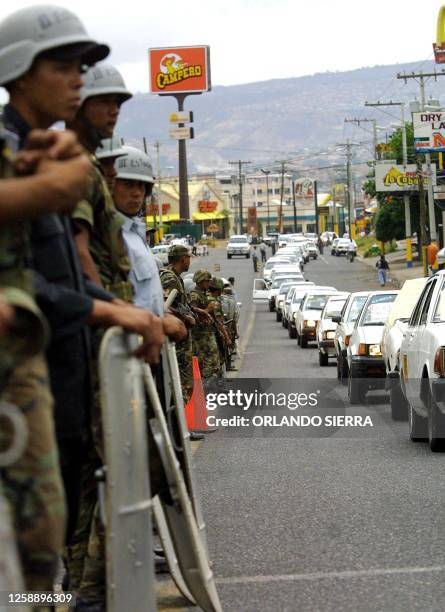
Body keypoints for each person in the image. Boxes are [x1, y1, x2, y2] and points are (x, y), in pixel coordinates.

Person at [189, 270, 221, 382]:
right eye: (207, 281)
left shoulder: (203, 294)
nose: (208, 284)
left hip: (207, 333)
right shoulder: (194, 295)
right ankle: (206, 386)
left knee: (213, 359)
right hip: (200, 336)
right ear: (201, 281)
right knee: (205, 361)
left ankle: (212, 384)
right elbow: (191, 309)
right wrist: (207, 310)